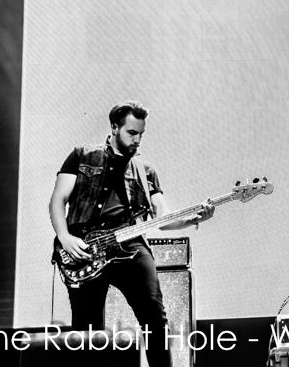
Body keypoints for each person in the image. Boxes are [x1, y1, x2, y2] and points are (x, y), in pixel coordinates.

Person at [50, 101, 213, 367]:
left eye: (141, 134)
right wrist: (65, 238)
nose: (137, 140)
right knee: (87, 330)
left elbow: (162, 218)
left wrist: (192, 219)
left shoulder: (145, 171)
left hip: (129, 244)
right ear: (114, 127)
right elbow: (58, 200)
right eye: (132, 133)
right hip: (84, 248)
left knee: (154, 316)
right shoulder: (82, 155)